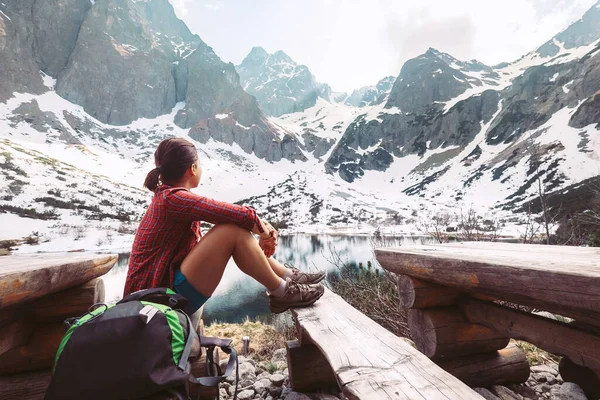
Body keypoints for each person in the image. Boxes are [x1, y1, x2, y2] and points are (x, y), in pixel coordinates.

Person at [123, 138, 325, 315]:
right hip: (156, 302)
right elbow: (236, 214)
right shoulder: (172, 199)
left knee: (234, 227)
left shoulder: (169, 197)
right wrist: (265, 233)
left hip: (159, 295)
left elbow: (235, 216)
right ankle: (282, 292)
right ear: (192, 169)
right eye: (199, 164)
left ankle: (288, 277)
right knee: (231, 230)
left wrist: (263, 231)